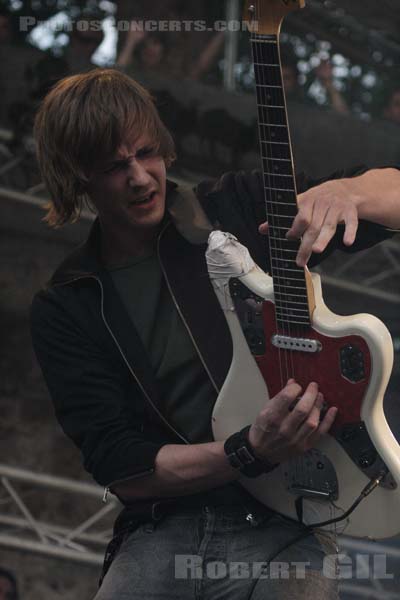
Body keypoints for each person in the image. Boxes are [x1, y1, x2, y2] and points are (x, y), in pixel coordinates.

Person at [30, 68, 400, 599]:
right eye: (114, 166)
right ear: (76, 177)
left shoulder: (235, 208)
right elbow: (121, 465)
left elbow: (394, 197)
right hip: (161, 528)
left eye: (147, 153)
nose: (140, 177)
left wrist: (348, 192)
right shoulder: (68, 303)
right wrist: (247, 450)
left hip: (285, 522)